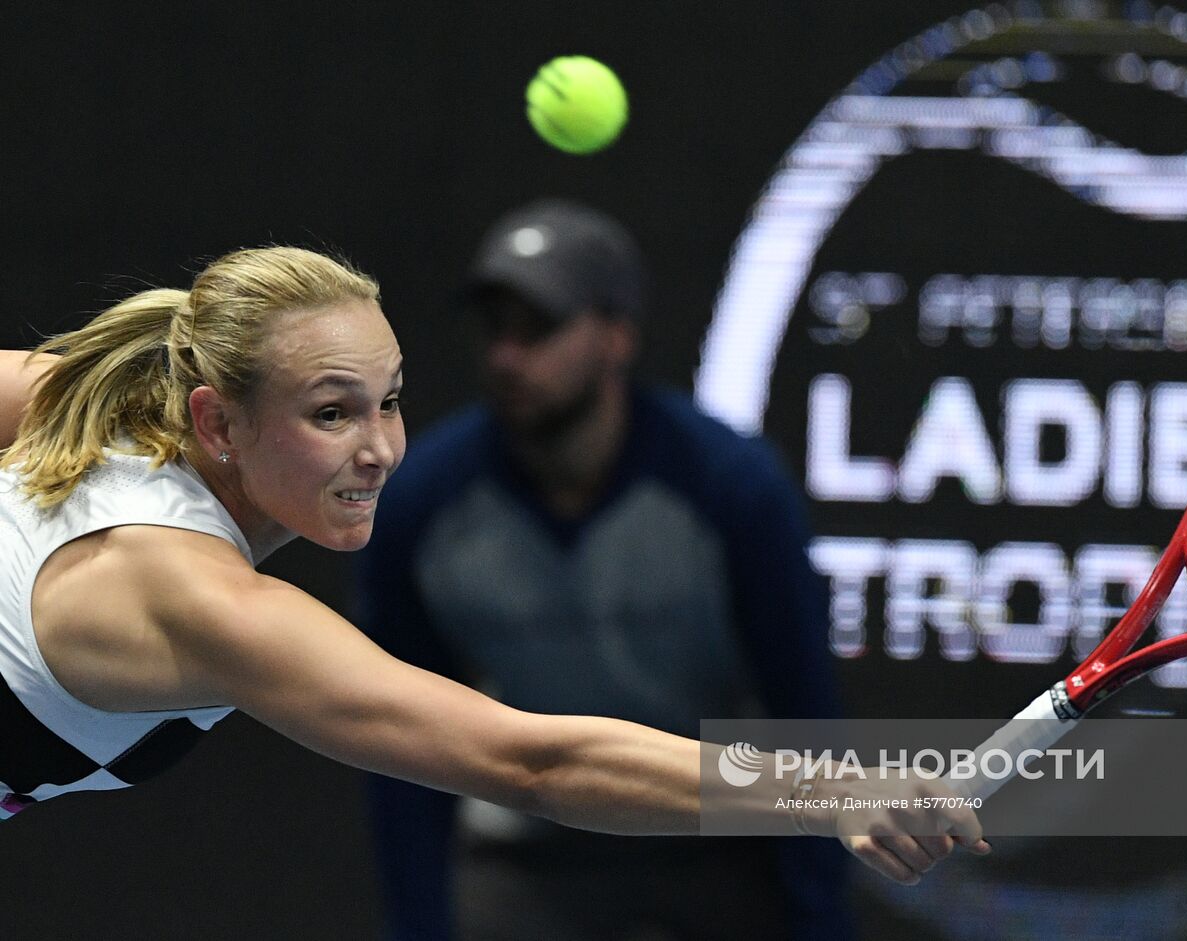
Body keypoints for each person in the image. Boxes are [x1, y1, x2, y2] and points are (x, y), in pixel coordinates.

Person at [0, 245, 985, 894]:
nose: (381, 448)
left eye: (388, 400)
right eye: (331, 413)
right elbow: (533, 761)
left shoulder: (89, 399)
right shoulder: (204, 601)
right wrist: (823, 791)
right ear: (218, 419)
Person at [356, 200, 866, 941]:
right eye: (496, 328)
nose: (507, 356)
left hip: (714, 841)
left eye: (540, 329)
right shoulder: (419, 505)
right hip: (529, 855)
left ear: (617, 337)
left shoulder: (734, 489)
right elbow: (401, 749)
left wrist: (820, 924)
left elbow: (805, 716)